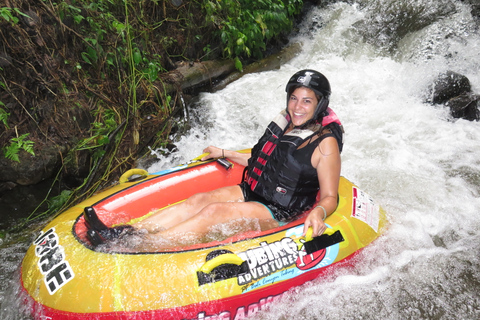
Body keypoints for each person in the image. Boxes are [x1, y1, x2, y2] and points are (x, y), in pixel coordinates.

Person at [85, 69, 343, 249]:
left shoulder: (325, 144)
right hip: (253, 190)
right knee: (199, 200)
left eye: (307, 101)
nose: (297, 107)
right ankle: (126, 233)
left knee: (212, 212)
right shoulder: (289, 122)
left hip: (280, 210)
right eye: (294, 98)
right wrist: (226, 153)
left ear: (320, 104)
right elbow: (265, 161)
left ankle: (136, 247)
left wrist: (319, 213)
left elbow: (331, 196)